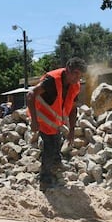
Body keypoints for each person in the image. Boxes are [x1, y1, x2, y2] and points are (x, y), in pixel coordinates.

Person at [27, 57, 87, 190]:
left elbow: (72, 108)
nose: (78, 78)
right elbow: (30, 95)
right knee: (49, 147)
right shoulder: (52, 81)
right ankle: (45, 180)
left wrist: (72, 130)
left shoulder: (75, 86)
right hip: (41, 117)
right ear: (67, 70)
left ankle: (56, 163)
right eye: (76, 73)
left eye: (80, 75)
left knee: (57, 142)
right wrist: (34, 121)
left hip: (54, 121)